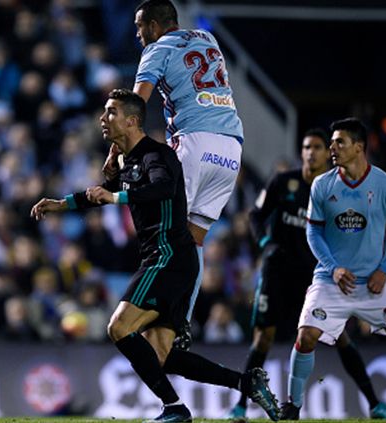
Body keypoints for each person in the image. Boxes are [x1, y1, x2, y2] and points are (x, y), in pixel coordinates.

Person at [32, 89, 279, 423]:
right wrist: (61, 204)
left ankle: (174, 408)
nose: (103, 119)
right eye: (104, 112)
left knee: (118, 327)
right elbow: (98, 195)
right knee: (162, 356)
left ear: (132, 120)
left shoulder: (157, 156)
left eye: (111, 112)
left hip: (168, 256)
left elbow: (161, 188)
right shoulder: (127, 160)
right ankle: (245, 382)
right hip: (172, 262)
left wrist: (117, 196)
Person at [227, 129, 386, 419]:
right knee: (263, 339)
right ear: (302, 152)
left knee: (341, 337)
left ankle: (375, 404)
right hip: (278, 273)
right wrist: (265, 244)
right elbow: (256, 215)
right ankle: (240, 406)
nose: (311, 152)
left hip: (314, 276)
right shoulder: (283, 182)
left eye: (318, 147)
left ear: (327, 154)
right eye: (307, 147)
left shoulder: (333, 190)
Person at [280, 118, 386, 421]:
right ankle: (293, 405)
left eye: (339, 142)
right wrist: (334, 268)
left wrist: (385, 269)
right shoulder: (322, 184)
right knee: (305, 337)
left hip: (373, 282)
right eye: (331, 142)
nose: (332, 147)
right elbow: (313, 232)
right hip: (331, 280)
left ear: (359, 147)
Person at [104, 0, 245, 350]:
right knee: (194, 239)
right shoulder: (207, 39)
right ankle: (183, 320)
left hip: (194, 142)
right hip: (231, 148)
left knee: (167, 231)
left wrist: (114, 151)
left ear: (155, 25)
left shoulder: (156, 50)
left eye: (140, 27)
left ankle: (160, 312)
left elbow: (133, 109)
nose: (138, 35)